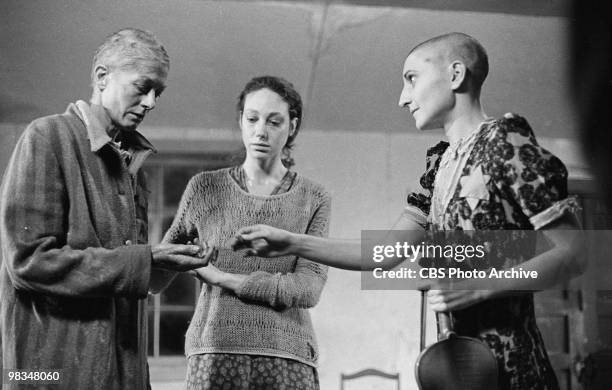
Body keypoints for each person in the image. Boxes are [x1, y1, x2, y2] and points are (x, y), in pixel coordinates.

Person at [233, 33, 585, 389]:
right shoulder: (439, 165)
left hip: (514, 369)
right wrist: (292, 242)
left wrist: (480, 286)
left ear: (456, 75)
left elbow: (574, 252)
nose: (403, 98)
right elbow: (382, 255)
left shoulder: (505, 141)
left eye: (411, 78)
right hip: (460, 374)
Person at [0, 28, 214, 390]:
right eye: (142, 87)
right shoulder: (46, 137)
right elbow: (29, 262)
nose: (151, 103)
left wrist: (168, 262)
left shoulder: (133, 169)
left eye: (157, 92)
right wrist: (143, 260)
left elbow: (128, 276)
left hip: (123, 376)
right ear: (102, 77)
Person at [155, 76, 331, 389]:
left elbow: (308, 288)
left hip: (287, 354)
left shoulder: (314, 197)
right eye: (252, 119)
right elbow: (159, 275)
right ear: (241, 121)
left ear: (292, 126)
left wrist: (223, 278)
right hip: (215, 349)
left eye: (274, 121)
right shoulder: (205, 188)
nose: (260, 131)